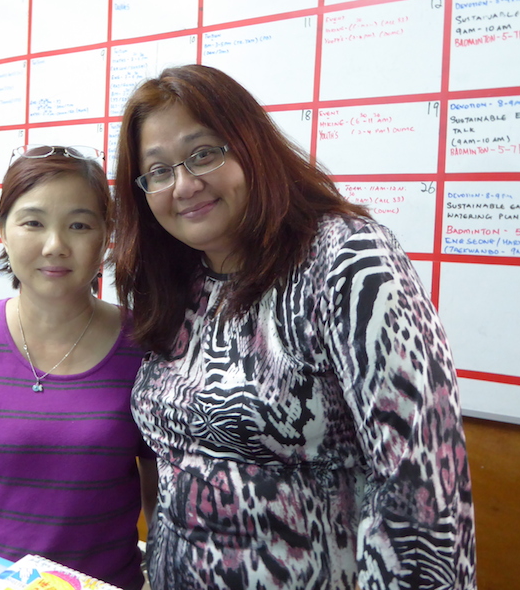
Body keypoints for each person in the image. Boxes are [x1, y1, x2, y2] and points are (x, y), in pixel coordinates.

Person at [111, 64, 477, 589]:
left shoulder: (346, 260)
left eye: (203, 154)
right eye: (160, 171)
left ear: (251, 145)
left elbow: (421, 483)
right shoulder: (175, 280)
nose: (185, 185)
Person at [0, 146, 158, 590]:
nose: (55, 245)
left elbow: (160, 502)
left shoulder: (143, 347)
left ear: (106, 236)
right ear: (3, 230)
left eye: (79, 225)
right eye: (32, 222)